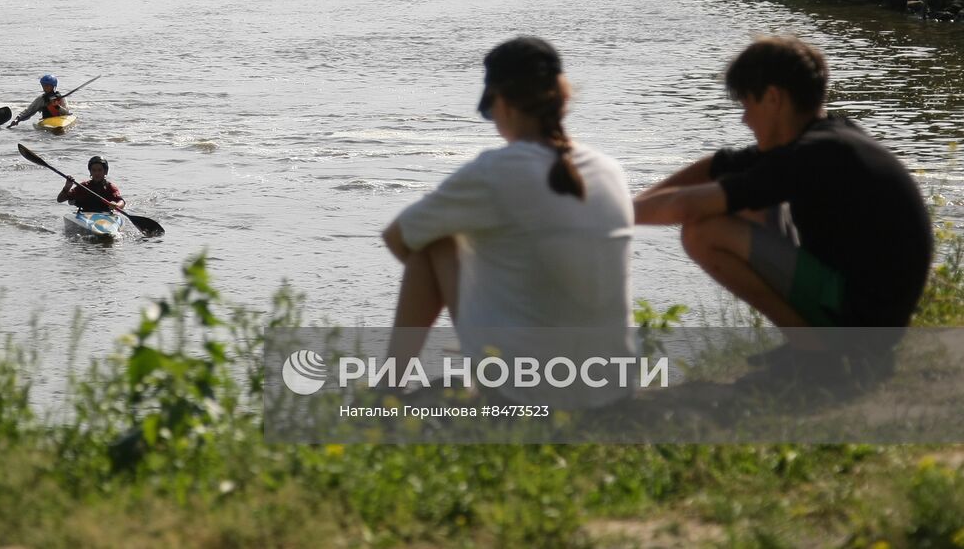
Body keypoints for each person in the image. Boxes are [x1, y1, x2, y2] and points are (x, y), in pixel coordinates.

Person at [381, 38, 634, 405]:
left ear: (501, 103)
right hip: (613, 389)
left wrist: (479, 291)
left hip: (529, 393)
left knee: (432, 243)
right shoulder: (611, 169)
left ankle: (388, 389)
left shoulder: (495, 171)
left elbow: (398, 238)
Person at [633, 37, 932, 332]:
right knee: (744, 205)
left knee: (703, 232)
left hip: (864, 317)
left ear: (774, 98)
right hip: (872, 302)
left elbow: (685, 206)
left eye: (747, 104)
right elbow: (717, 166)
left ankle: (814, 353)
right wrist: (633, 201)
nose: (744, 119)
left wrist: (611, 216)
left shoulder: (812, 155)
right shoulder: (830, 137)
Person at [57, 155, 124, 213]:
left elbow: (121, 201)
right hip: (84, 214)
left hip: (105, 216)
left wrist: (117, 205)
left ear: (105, 171)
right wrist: (67, 187)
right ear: (90, 172)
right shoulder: (84, 186)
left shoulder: (110, 187)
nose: (96, 173)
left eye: (100, 170)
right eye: (94, 170)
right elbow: (60, 200)